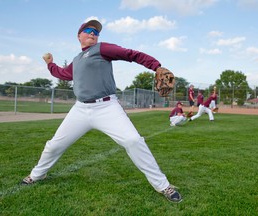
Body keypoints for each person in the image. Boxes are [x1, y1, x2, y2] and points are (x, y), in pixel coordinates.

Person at [21, 19, 182, 203]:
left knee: (133, 140)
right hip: (80, 109)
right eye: (89, 30)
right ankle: (37, 174)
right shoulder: (76, 60)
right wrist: (50, 64)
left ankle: (163, 186)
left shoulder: (102, 49)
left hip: (106, 107)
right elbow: (63, 74)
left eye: (96, 32)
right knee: (54, 145)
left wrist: (156, 66)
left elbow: (131, 54)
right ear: (79, 35)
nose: (93, 33)